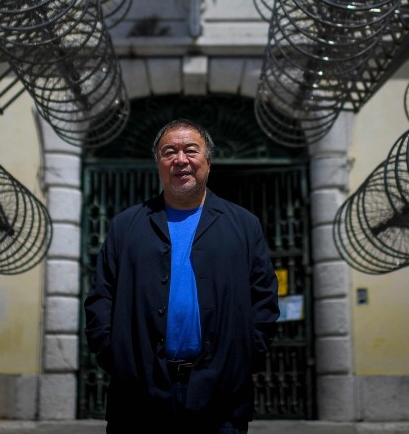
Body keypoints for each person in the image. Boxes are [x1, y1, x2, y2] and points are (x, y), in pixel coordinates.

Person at [83, 118, 280, 433]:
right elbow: (100, 297)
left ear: (208, 161)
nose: (180, 160)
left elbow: (265, 300)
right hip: (138, 396)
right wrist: (117, 356)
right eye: (169, 152)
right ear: (159, 164)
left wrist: (242, 358)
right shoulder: (126, 226)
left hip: (222, 398)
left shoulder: (244, 225)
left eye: (191, 150)